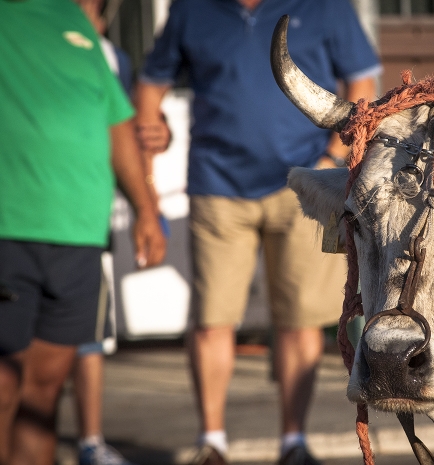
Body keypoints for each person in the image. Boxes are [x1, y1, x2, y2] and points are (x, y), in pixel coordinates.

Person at [135, 1, 380, 464]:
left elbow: (361, 86)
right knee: (211, 320)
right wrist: (149, 170)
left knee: (300, 320)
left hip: (306, 183)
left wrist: (330, 160)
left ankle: (293, 442)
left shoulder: (326, 6)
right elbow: (149, 89)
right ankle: (212, 442)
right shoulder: (191, 10)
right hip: (217, 186)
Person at [0, 1, 167, 465]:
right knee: (4, 383)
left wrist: (146, 211)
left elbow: (117, 122)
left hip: (79, 236)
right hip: (9, 229)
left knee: (44, 394)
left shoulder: (73, 21)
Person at [69, 1, 147, 464]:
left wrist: (144, 209)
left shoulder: (112, 57)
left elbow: (126, 132)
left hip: (88, 215)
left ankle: (89, 440)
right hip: (25, 213)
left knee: (88, 335)